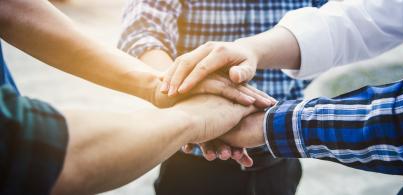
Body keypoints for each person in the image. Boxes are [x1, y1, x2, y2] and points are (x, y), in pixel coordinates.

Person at [163, 0, 403, 194]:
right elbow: (362, 16)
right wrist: (253, 49)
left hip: (276, 159)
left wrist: (270, 123)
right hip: (193, 161)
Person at [0, 0, 267, 194]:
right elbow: (26, 151)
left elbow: (11, 8)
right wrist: (193, 116)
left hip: (271, 157)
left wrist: (158, 85)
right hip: (187, 156)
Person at [118, 0, 327, 194]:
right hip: (191, 164)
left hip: (277, 162)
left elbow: (328, 31)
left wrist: (289, 92)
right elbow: (141, 29)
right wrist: (185, 94)